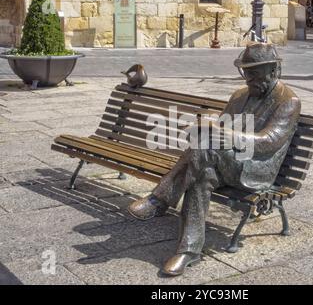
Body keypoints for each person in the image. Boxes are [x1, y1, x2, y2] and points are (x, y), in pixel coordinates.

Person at [127, 43, 301, 276]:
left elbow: (269, 141)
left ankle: (160, 199)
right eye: (246, 73)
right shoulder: (240, 95)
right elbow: (220, 127)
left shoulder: (288, 101)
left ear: (273, 70)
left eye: (254, 73)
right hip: (228, 162)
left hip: (257, 168)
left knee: (205, 148)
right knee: (202, 174)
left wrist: (223, 134)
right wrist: (204, 128)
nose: (249, 79)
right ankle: (188, 251)